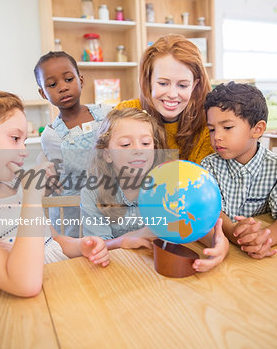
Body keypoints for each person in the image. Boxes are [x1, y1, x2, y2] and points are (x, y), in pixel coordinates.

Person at [0, 90, 109, 296]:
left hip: (61, 281)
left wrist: (81, 246)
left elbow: (53, 241)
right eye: (15, 138)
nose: (23, 151)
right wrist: (33, 197)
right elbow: (24, 284)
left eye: (24, 141)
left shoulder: (14, 188)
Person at [81, 108, 228, 272]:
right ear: (107, 154)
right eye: (125, 144)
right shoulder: (93, 192)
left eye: (145, 143)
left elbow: (202, 232)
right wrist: (123, 241)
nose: (138, 150)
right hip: (115, 272)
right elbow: (95, 247)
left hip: (156, 273)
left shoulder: (169, 185)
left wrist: (220, 245)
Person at [201, 82, 277, 259]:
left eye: (227, 127)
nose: (217, 136)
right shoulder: (208, 166)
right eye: (211, 129)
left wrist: (264, 239)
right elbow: (212, 209)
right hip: (225, 249)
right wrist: (233, 232)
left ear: (257, 129)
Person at [34, 51, 111, 236]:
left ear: (81, 80)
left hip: (110, 203)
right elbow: (60, 174)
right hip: (75, 213)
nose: (62, 87)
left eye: (68, 79)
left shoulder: (107, 114)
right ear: (43, 93)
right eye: (52, 84)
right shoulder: (51, 135)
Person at [116, 34, 213, 163]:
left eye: (183, 85)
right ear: (148, 80)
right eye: (163, 83)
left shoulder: (207, 123)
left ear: (194, 85)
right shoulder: (125, 112)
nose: (172, 94)